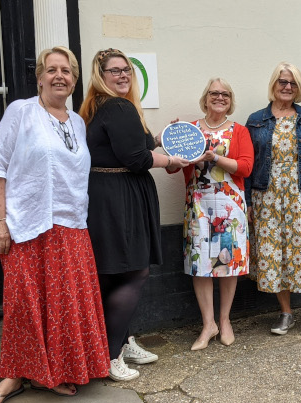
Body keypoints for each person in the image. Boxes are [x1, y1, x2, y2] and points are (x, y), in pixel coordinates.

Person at [0, 47, 110, 403]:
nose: (59, 76)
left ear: (74, 79)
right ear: (39, 77)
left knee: (64, 306)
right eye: (51, 70)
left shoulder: (77, 122)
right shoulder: (21, 112)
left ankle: (55, 372)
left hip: (71, 226)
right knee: (24, 305)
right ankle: (15, 375)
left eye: (66, 70)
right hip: (27, 225)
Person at [79, 49, 189, 380]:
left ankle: (121, 342)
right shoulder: (118, 106)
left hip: (108, 196)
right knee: (133, 272)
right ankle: (111, 356)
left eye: (126, 69)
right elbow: (136, 159)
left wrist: (159, 139)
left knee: (114, 274)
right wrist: (172, 160)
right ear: (101, 76)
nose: (123, 75)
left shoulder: (100, 107)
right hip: (119, 199)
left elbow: (132, 147)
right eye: (114, 71)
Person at [246, 62, 301, 340]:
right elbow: (249, 163)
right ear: (274, 84)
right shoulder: (256, 119)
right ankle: (286, 313)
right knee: (275, 257)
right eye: (282, 81)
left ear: (298, 88)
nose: (287, 87)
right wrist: (247, 201)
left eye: (292, 83)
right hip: (266, 198)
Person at [170, 77, 254, 350]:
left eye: (225, 94)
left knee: (227, 264)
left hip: (229, 207)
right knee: (200, 264)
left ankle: (225, 320)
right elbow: (173, 168)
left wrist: (214, 158)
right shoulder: (190, 130)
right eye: (214, 93)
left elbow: (245, 168)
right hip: (198, 206)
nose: (219, 97)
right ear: (205, 98)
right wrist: (172, 145)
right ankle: (208, 324)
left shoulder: (239, 131)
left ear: (230, 101)